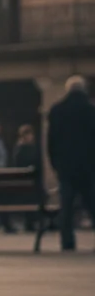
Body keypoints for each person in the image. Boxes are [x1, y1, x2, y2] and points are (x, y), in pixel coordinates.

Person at [46, 75, 95, 251]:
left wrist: (55, 164)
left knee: (66, 206)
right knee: (92, 203)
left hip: (65, 167)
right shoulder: (91, 110)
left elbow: (51, 142)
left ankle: (67, 241)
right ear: (83, 89)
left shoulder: (57, 110)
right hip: (88, 167)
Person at [12, 124, 43, 231]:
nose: (29, 137)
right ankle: (29, 221)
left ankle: (35, 220)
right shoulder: (20, 148)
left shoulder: (34, 148)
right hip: (24, 180)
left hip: (34, 179)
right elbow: (18, 163)